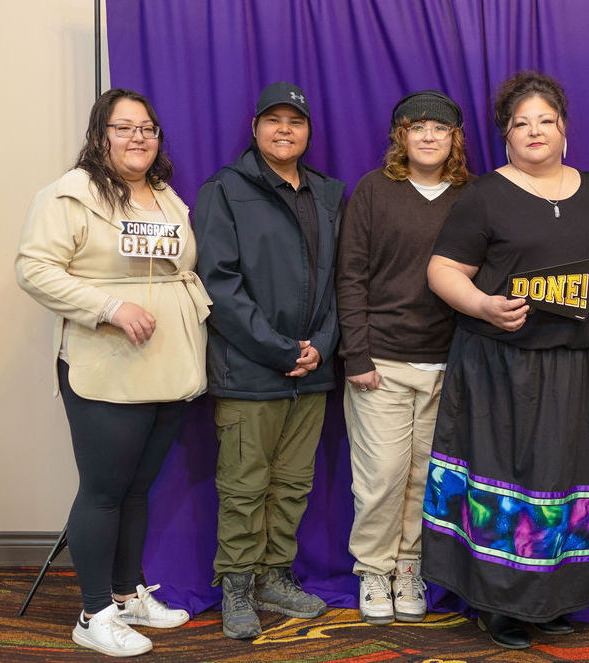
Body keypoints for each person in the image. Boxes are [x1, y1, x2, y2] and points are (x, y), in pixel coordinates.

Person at [421, 71, 589, 650]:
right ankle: (499, 605)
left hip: (582, 367)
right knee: (509, 485)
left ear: (565, 130)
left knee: (571, 482)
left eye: (546, 121)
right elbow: (442, 270)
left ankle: (551, 601)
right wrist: (484, 305)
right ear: (506, 136)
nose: (535, 131)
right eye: (522, 123)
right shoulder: (485, 195)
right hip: (505, 366)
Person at [15, 88, 208, 657]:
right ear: (100, 135)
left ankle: (127, 595)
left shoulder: (167, 197)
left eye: (147, 128)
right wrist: (111, 307)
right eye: (123, 128)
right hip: (107, 362)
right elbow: (34, 268)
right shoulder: (68, 195)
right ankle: (93, 611)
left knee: (137, 489)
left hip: (169, 363)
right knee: (103, 491)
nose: (137, 138)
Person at [194, 81, 345, 639]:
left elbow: (337, 283)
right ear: (256, 128)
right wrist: (281, 350)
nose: (285, 130)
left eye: (296, 122)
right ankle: (236, 584)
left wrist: (321, 347)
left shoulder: (328, 194)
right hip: (251, 369)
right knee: (244, 485)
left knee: (292, 483)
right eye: (273, 120)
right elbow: (219, 285)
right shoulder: (225, 191)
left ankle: (273, 577)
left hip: (312, 371)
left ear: (308, 132)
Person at [337, 90, 473, 626]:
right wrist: (356, 356)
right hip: (383, 362)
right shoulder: (374, 191)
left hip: (449, 363)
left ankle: (410, 567)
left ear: (454, 138)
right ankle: (373, 569)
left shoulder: (473, 196)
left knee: (426, 478)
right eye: (417, 127)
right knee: (382, 477)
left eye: (440, 128)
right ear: (402, 136)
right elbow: (349, 277)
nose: (429, 136)